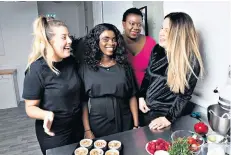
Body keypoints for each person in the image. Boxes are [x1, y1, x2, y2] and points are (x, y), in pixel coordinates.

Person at [22, 16, 83, 154]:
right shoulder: (36, 69)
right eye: (64, 37)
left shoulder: (71, 62)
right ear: (49, 42)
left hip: (76, 127)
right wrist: (46, 114)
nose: (69, 41)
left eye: (69, 36)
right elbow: (30, 108)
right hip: (54, 134)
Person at [138, 12, 204, 130]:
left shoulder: (191, 62)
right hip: (146, 109)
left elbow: (184, 96)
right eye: (162, 28)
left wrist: (168, 118)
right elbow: (148, 75)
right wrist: (141, 97)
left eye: (167, 30)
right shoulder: (157, 49)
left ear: (179, 34)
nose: (161, 33)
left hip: (165, 116)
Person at [79, 23, 139, 139]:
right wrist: (87, 129)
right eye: (105, 39)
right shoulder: (85, 68)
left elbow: (132, 96)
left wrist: (136, 125)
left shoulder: (124, 66)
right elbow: (83, 102)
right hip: (98, 122)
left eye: (114, 39)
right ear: (96, 42)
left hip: (125, 120)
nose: (111, 43)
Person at [122, 7, 156, 87]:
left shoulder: (151, 43)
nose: (136, 28)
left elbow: (156, 71)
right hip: (123, 94)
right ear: (124, 24)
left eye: (139, 24)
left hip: (146, 93)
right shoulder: (116, 43)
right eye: (132, 23)